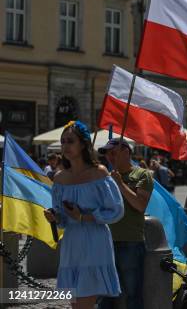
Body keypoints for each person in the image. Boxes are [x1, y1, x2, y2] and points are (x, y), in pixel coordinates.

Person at [43, 121, 124, 309]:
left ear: (83, 144)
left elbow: (116, 210)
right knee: (76, 304)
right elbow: (62, 218)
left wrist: (84, 217)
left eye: (70, 141)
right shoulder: (60, 177)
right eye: (63, 142)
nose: (65, 146)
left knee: (84, 304)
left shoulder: (99, 173)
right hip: (72, 242)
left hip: (94, 241)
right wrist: (55, 216)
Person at [97, 137, 154, 309]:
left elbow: (140, 205)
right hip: (106, 242)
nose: (110, 157)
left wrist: (120, 184)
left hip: (130, 242)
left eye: (113, 153)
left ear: (126, 152)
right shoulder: (104, 177)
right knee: (105, 294)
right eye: (107, 154)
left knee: (132, 294)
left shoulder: (142, 175)